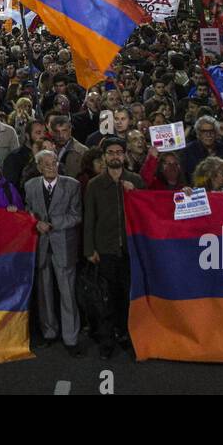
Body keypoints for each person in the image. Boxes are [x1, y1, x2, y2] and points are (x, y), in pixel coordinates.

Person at [83, 137, 141, 358]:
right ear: (104, 156)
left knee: (127, 297)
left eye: (119, 152)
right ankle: (107, 341)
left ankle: (125, 335)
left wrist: (133, 192)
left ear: (124, 155)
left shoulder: (135, 180)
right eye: (111, 152)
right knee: (105, 299)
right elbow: (89, 219)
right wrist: (89, 250)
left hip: (129, 250)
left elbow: (149, 208)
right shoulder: (95, 184)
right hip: (105, 250)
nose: (115, 155)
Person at [24, 148, 84, 356]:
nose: (51, 167)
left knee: (67, 294)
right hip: (40, 247)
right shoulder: (30, 186)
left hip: (63, 247)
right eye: (47, 164)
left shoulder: (72, 185)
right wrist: (35, 221)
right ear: (39, 167)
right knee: (44, 293)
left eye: (54, 163)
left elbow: (76, 215)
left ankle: (71, 338)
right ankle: (49, 333)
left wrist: (52, 223)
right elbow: (27, 211)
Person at [47, 114, 87, 179]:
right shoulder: (47, 148)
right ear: (52, 132)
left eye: (64, 131)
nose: (61, 136)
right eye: (57, 132)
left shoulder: (82, 151)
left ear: (70, 129)